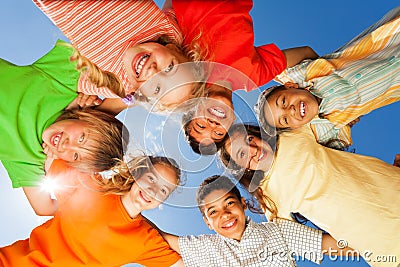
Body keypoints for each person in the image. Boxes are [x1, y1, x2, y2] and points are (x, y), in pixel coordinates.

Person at [219, 123, 400, 266]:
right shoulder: (270, 199)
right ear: (242, 169)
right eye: (242, 154)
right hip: (388, 246)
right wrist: (365, 246)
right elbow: (310, 243)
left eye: (250, 138)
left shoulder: (293, 136)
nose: (253, 149)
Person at [170, 0, 318, 153]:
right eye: (218, 133)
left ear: (192, 106)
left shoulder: (188, 68)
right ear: (232, 120)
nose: (212, 124)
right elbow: (305, 53)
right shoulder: (253, 78)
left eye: (201, 126)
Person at [0, 40, 128, 216]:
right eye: (82, 137)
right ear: (87, 117)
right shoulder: (61, 84)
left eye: (75, 156)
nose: (67, 145)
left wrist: (49, 164)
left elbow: (45, 208)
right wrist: (103, 110)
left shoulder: (31, 158)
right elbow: (137, 85)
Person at [254, 6, 400, 149]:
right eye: (285, 120)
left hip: (388, 39)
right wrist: (349, 118)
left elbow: (298, 54)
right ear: (294, 127)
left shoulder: (304, 76)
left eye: (284, 101)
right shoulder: (323, 129)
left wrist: (322, 63)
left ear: (291, 86)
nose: (290, 110)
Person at [0, 157, 184, 267]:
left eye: (163, 190)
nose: (153, 189)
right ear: (137, 173)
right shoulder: (92, 186)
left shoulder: (147, 240)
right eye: (151, 178)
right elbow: (52, 152)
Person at [33, 0, 206, 113]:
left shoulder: (114, 84)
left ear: (141, 93)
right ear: (173, 48)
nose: (154, 72)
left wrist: (82, 100)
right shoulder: (169, 31)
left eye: (157, 88)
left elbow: (73, 83)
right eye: (169, 68)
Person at [160, 175, 355, 267]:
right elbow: (156, 237)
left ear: (243, 204)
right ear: (207, 222)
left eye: (229, 203)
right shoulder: (205, 248)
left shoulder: (278, 231)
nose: (225, 214)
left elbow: (333, 246)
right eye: (213, 212)